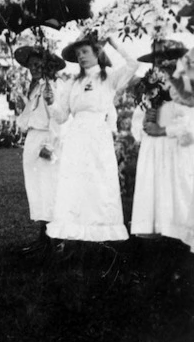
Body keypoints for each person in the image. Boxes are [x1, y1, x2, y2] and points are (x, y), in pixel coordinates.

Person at [46, 32, 138, 242]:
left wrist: (113, 41)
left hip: (98, 134)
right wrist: (51, 102)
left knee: (99, 181)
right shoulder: (73, 83)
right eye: (78, 53)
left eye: (85, 51)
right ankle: (75, 232)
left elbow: (132, 64)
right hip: (77, 135)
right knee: (76, 182)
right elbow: (61, 117)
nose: (81, 56)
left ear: (97, 52)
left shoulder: (109, 77)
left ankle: (102, 234)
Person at [130, 40, 194, 247]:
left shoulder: (184, 86)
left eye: (168, 60)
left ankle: (181, 242)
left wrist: (164, 130)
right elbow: (136, 123)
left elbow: (190, 123)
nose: (163, 64)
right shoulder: (148, 86)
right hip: (154, 149)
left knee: (179, 192)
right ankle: (159, 245)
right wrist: (146, 120)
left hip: (176, 146)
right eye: (158, 61)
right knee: (154, 193)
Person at [13, 45, 66, 253]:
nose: (33, 68)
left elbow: (58, 118)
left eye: (37, 64)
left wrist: (49, 145)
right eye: (30, 65)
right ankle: (43, 237)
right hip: (33, 138)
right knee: (37, 190)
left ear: (47, 65)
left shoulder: (53, 86)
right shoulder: (37, 87)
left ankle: (57, 239)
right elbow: (26, 119)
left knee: (50, 189)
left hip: (46, 139)